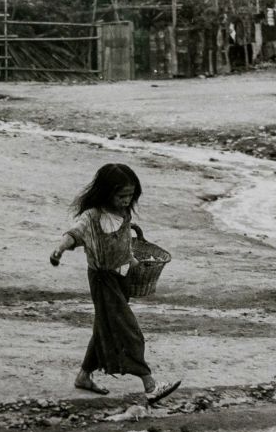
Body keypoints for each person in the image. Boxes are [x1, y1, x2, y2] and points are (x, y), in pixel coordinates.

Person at [49, 163, 181, 404]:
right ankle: (149, 383)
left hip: (122, 278)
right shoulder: (92, 217)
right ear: (106, 193)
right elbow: (73, 234)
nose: (126, 200)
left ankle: (84, 376)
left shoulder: (124, 214)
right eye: (121, 196)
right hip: (102, 280)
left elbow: (124, 244)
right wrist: (59, 250)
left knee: (104, 327)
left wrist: (133, 261)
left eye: (130, 196)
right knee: (127, 329)